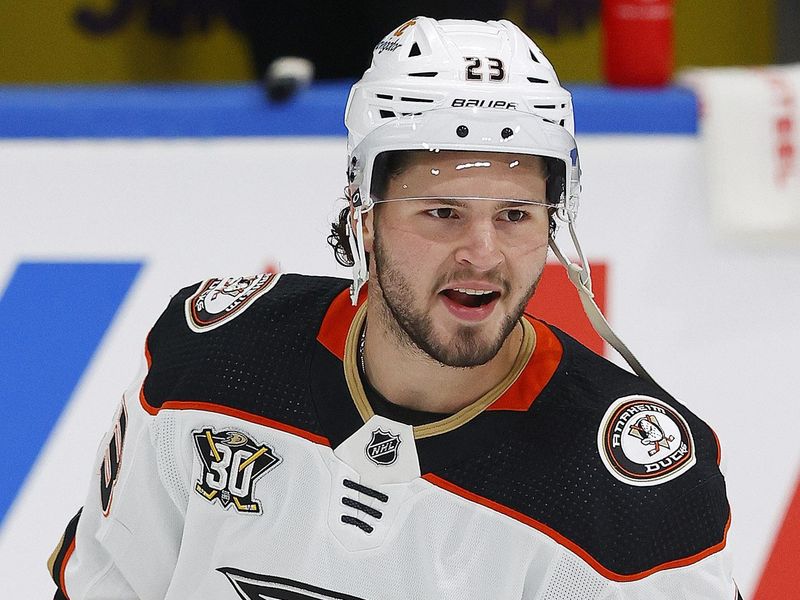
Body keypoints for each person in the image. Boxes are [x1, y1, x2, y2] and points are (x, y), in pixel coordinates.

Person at [49, 17, 741, 600]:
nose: (483, 254)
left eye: (516, 215)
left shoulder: (636, 490)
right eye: (442, 213)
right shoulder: (211, 365)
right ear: (366, 216)